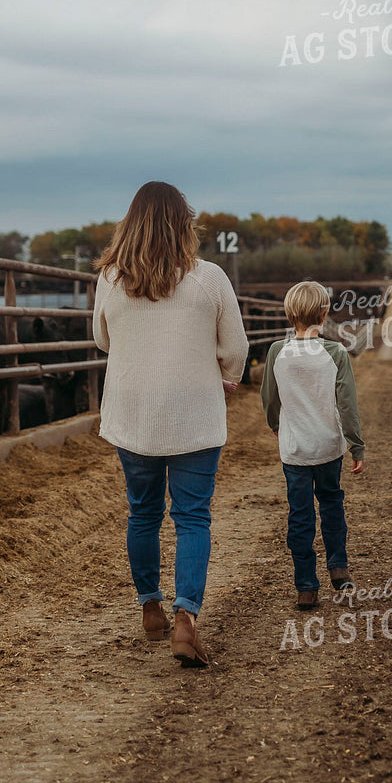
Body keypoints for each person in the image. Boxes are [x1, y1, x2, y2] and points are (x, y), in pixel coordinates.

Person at [92, 181, 248, 668]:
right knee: (192, 517)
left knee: (142, 513)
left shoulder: (111, 278)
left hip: (133, 410)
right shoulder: (210, 278)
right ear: (185, 224)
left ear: (130, 223)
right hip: (194, 410)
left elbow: (102, 340)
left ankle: (151, 609)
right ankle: (186, 619)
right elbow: (237, 348)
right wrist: (226, 376)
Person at [260, 281, 366, 611]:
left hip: (295, 452)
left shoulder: (277, 351)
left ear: (289, 314)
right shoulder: (335, 353)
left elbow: (269, 396)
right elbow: (347, 403)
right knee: (332, 504)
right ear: (324, 313)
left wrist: (276, 424)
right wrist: (356, 445)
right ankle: (339, 566)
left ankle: (306, 585)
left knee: (300, 515)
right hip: (329, 446)